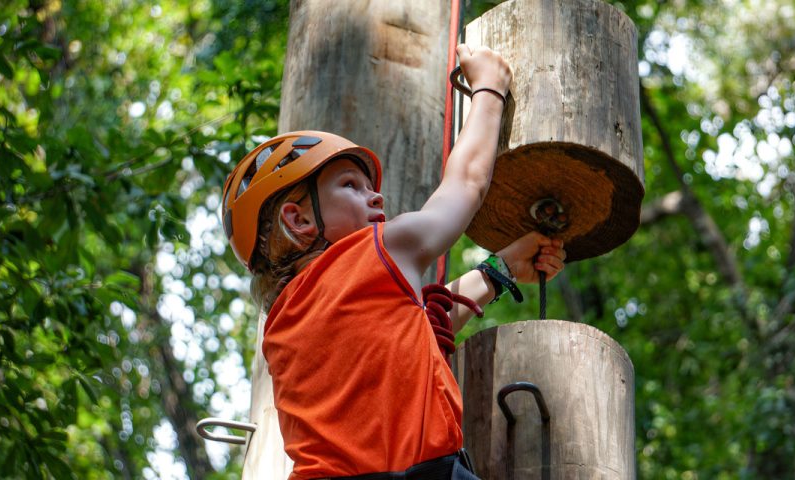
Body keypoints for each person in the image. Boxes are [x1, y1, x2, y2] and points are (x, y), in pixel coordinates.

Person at [221, 45, 566, 479]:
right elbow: (466, 185)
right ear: (299, 218)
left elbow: (418, 336)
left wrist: (500, 271)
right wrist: (489, 87)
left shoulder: (284, 332)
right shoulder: (376, 251)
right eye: (351, 185)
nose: (376, 196)